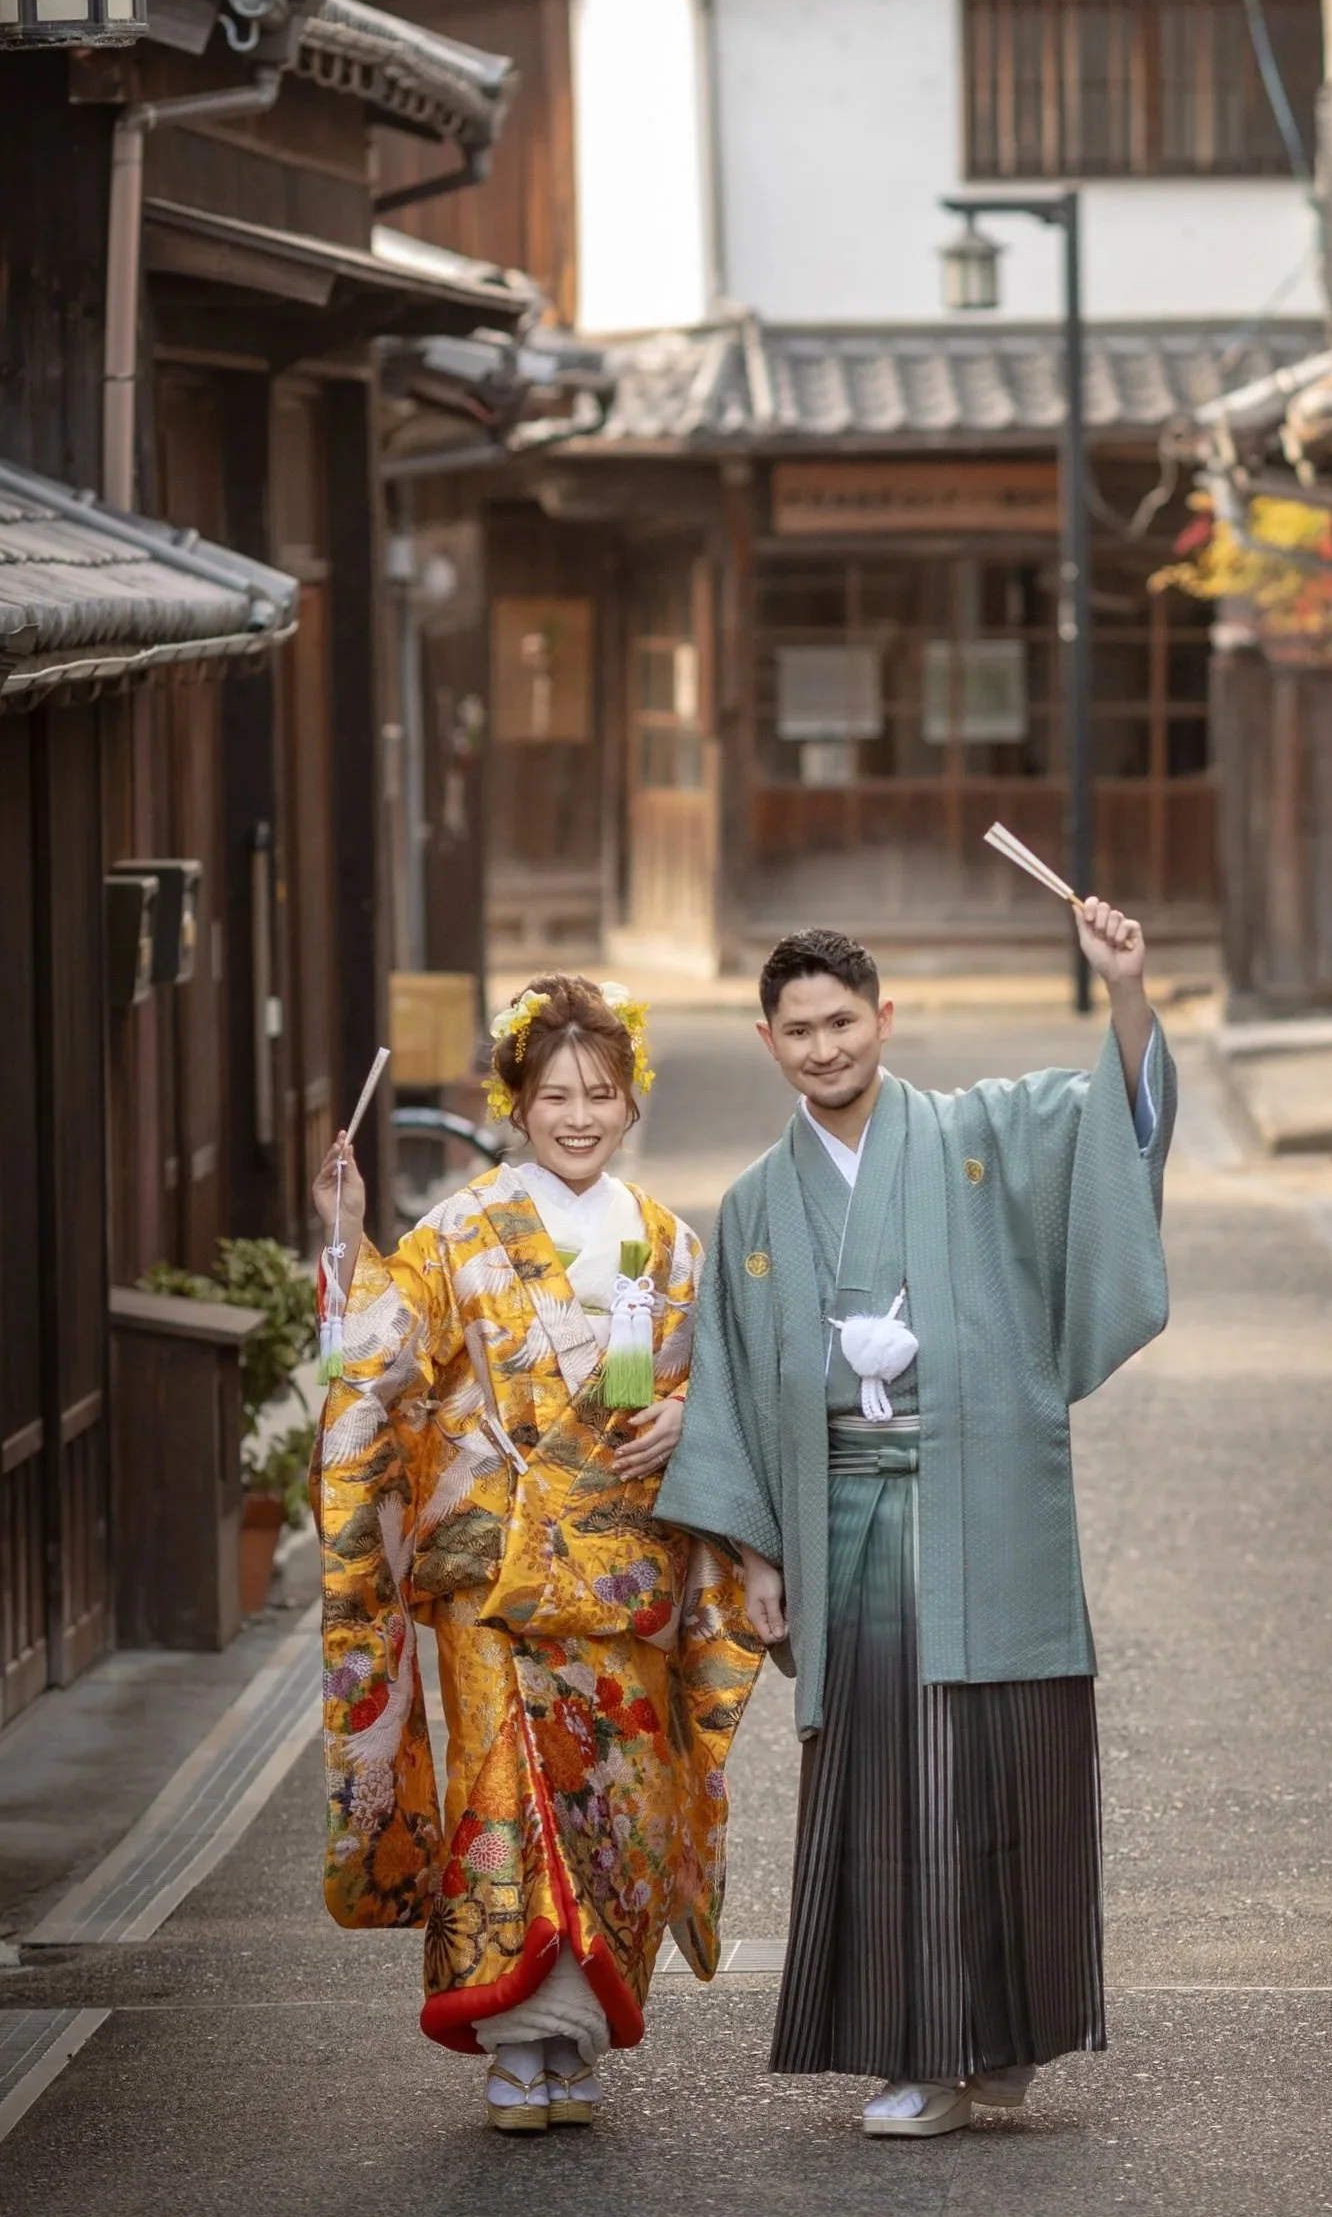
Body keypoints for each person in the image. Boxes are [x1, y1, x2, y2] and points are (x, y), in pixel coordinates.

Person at [657, 903, 1171, 2136]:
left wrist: (1128, 994)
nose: (825, 1047)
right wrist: (755, 1551)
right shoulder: (756, 1205)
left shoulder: (980, 1134)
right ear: (768, 1040)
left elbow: (1117, 1120)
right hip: (849, 1527)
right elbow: (725, 1384)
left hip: (986, 1506)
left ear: (883, 1019)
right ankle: (923, 2052)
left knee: (1013, 1769)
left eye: (843, 1021)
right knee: (896, 1792)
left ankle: (1005, 2042)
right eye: (800, 1029)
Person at [311, 974, 763, 2132]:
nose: (578, 1115)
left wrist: (696, 1413)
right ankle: (521, 2036)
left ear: (630, 1101)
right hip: (494, 1578)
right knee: (504, 1790)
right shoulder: (457, 1233)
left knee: (621, 1797)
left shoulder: (666, 1241)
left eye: (600, 1093)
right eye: (554, 1093)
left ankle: (580, 2027)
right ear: (515, 1101)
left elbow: (722, 1385)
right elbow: (381, 1365)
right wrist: (345, 1238)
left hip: (626, 1579)